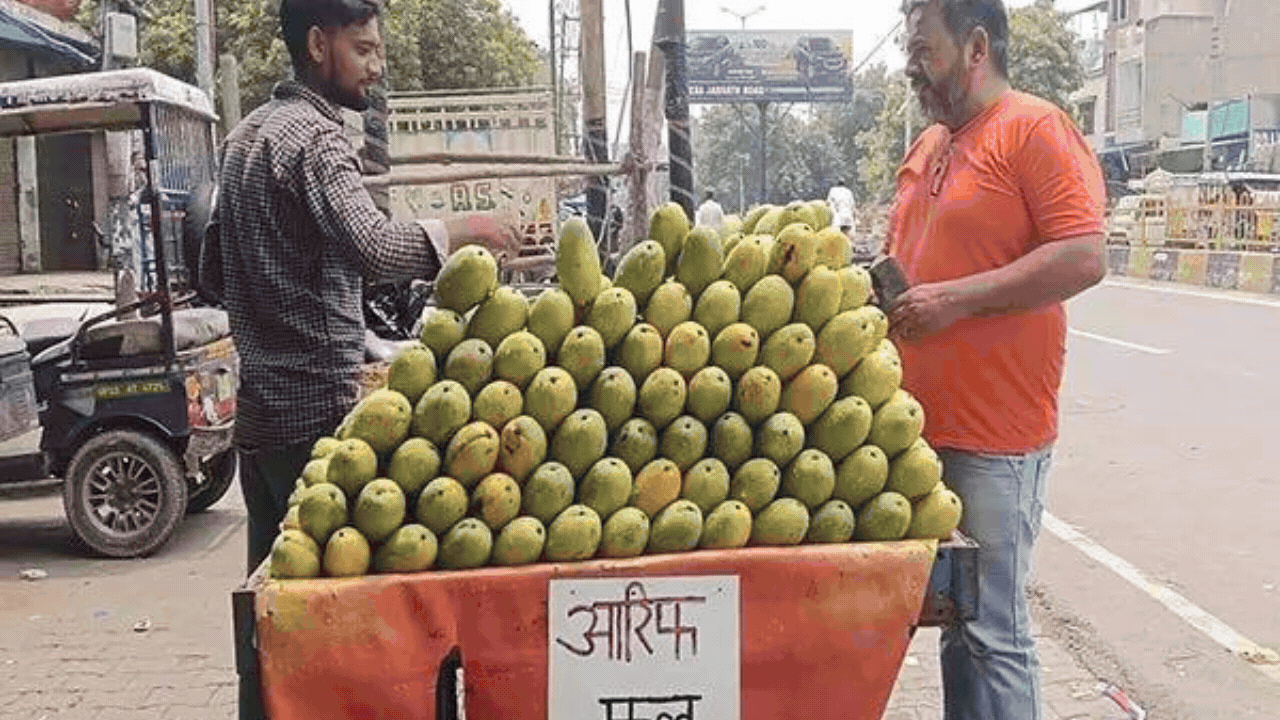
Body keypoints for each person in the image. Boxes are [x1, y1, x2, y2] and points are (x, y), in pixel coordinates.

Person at [216, 0, 517, 578]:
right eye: (364, 49)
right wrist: (462, 231)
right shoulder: (317, 139)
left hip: (257, 416)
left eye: (378, 49)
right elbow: (374, 248)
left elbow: (211, 267)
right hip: (315, 413)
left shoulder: (245, 136)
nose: (376, 66)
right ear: (316, 46)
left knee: (268, 591)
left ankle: (253, 675)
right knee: (324, 596)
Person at [884, 1, 1106, 718]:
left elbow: (1082, 254)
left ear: (976, 46)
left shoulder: (1034, 129)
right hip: (918, 432)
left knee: (995, 632)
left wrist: (955, 301)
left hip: (997, 438)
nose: (911, 63)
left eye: (925, 48)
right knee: (956, 620)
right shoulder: (928, 148)